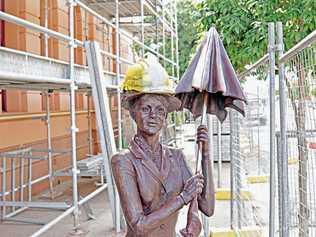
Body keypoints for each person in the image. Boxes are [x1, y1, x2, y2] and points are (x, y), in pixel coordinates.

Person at [111, 54, 215, 237]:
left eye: (160, 110)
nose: (153, 115)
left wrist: (205, 155)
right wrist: (183, 197)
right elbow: (139, 225)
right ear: (134, 113)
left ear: (166, 117)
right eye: (146, 108)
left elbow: (207, 206)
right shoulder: (123, 161)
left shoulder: (176, 157)